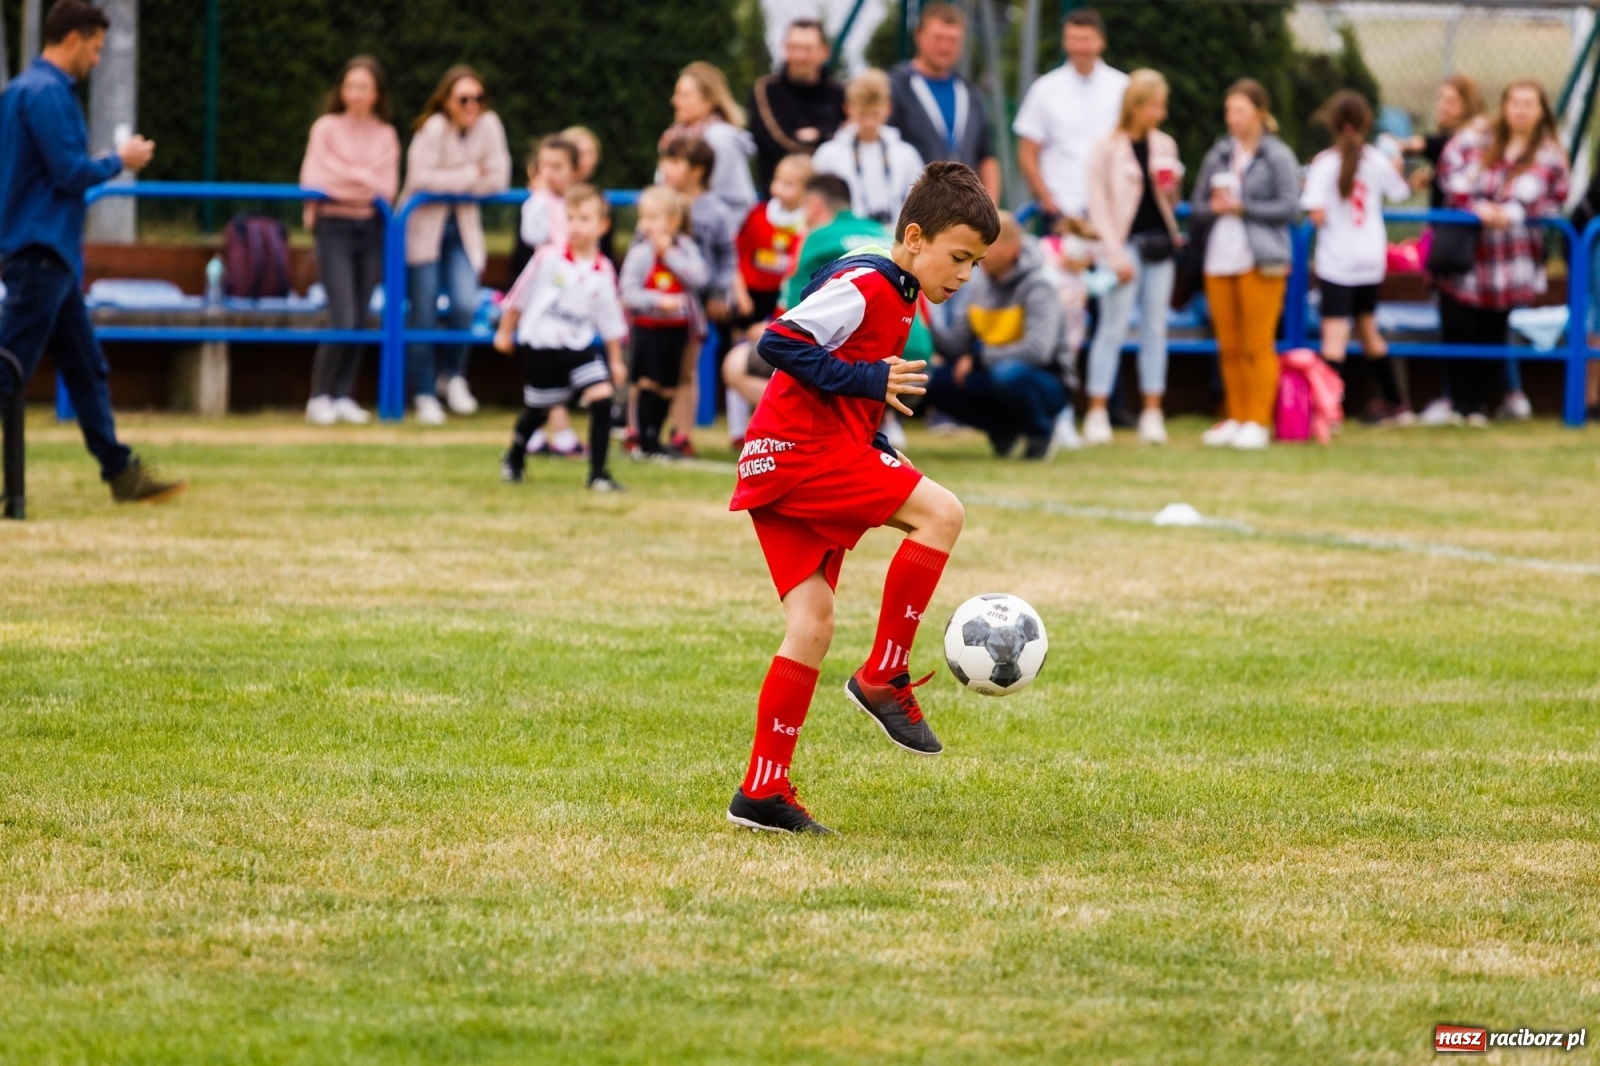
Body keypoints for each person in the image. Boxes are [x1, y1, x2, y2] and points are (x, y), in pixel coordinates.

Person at [725, 162, 999, 835]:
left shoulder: (897, 287)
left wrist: (873, 433)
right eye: (958, 258)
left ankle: (761, 791)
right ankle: (884, 674)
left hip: (777, 461)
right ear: (914, 236)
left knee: (811, 623)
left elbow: (827, 383)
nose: (963, 276)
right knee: (943, 513)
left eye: (975, 264)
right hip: (802, 456)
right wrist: (870, 379)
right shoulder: (871, 282)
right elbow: (779, 341)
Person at [0, 0, 183, 504]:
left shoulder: (20, 89)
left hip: (44, 250)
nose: (99, 60)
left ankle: (120, 472)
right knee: (8, 368)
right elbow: (69, 172)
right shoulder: (47, 93)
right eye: (97, 49)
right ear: (74, 39)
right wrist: (118, 160)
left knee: (85, 365)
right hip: (40, 248)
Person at [1434, 79, 1569, 426]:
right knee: (1457, 324)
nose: (1521, 110)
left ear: (1541, 111)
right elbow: (1449, 171)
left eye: (1529, 104)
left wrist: (1511, 213)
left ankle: (1478, 406)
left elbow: (1552, 192)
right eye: (1515, 102)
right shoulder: (1477, 138)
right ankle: (1457, 403)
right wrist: (1476, 207)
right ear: (1504, 105)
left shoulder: (1550, 151)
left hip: (1510, 259)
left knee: (1492, 329)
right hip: (1467, 253)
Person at [493, 185, 627, 491]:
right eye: (571, 218)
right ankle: (514, 455)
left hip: (579, 347)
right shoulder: (548, 258)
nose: (576, 226)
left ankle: (598, 475)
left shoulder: (604, 270)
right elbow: (518, 295)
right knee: (539, 410)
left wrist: (616, 360)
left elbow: (610, 321)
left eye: (584, 218)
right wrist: (505, 331)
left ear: (602, 226)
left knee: (602, 398)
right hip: (543, 347)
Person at [1190, 78, 1300, 450]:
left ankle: (1258, 418)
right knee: (1230, 343)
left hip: (1262, 258)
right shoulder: (1219, 154)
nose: (1233, 118)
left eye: (1240, 110)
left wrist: (1245, 208)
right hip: (1220, 257)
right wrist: (1215, 207)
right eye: (1229, 111)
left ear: (1260, 113)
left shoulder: (1277, 155)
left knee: (1258, 342)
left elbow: (1291, 207)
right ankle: (1235, 416)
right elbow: (1197, 206)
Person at [399, 65, 511, 424]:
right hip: (423, 230)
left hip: (462, 230)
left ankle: (452, 376)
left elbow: (498, 179)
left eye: (478, 98)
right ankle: (425, 393)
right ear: (446, 100)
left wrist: (453, 181)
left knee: (465, 304)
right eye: (464, 98)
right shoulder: (431, 128)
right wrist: (469, 175)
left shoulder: (490, 126)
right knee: (424, 313)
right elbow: (420, 179)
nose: (472, 105)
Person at [1082, 68, 1182, 446]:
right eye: (1155, 105)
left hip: (1159, 246)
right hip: (1122, 249)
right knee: (1112, 329)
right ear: (1136, 106)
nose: (1161, 113)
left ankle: (1152, 412)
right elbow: (1099, 205)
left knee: (1156, 329)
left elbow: (1170, 201)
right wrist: (1114, 253)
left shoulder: (1165, 145)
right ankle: (1096, 411)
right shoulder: (1105, 148)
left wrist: (1171, 188)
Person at [1302, 91, 1413, 425]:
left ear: (1332, 123)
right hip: (1370, 259)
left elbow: (1316, 215)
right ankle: (1396, 402)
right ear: (1366, 122)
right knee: (1367, 328)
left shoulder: (1325, 163)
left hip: (1338, 260)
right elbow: (1400, 192)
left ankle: (1327, 410)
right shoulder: (1376, 159)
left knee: (1333, 337)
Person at [300, 55, 400, 427]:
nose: (356, 93)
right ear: (341, 90)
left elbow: (387, 188)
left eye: (364, 87)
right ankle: (319, 396)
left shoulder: (386, 134)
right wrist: (363, 180)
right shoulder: (325, 128)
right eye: (350, 85)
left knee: (361, 315)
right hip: (333, 229)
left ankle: (343, 395)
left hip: (370, 230)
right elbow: (315, 180)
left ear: (376, 94)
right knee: (341, 314)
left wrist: (345, 180)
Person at [927, 212, 1073, 459]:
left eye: (988, 244)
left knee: (1007, 374)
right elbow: (956, 347)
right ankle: (1002, 431)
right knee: (928, 381)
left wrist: (979, 358)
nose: (979, 251)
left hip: (1046, 381)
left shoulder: (1039, 286)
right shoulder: (978, 286)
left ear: (1011, 249)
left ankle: (1041, 433)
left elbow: (1038, 351)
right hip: (994, 373)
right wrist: (924, 323)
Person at [1403, 76, 1485, 426]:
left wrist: (1405, 147)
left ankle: (1472, 399)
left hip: (1462, 241)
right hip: (1442, 238)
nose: (1443, 106)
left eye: (1451, 100)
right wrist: (1431, 177)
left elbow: (1439, 146)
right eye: (1441, 99)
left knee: (1479, 321)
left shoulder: (1467, 138)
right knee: (1455, 317)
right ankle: (1458, 398)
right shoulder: (1451, 147)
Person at [507, 135, 586, 460]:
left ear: (574, 170)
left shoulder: (579, 205)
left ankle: (543, 432)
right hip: (544, 297)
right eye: (545, 167)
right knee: (545, 366)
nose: (550, 173)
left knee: (557, 368)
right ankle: (553, 434)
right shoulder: (537, 203)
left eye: (558, 167)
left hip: (570, 296)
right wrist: (538, 198)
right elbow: (533, 235)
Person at [659, 135, 737, 458]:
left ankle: (682, 435)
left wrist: (720, 291)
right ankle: (640, 431)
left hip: (694, 306)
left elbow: (727, 256)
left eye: (674, 162)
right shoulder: (658, 204)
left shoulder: (716, 211)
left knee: (685, 369)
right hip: (658, 302)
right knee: (650, 370)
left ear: (698, 170)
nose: (666, 168)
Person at [1014, 7, 1129, 225]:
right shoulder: (1044, 89)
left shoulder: (1123, 87)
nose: (1079, 47)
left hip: (1113, 210)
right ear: (1064, 42)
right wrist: (1047, 199)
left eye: (1086, 39)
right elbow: (1027, 153)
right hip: (1060, 212)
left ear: (1101, 41)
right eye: (1073, 39)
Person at [727, 154, 812, 445]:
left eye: (789, 184)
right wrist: (739, 293)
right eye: (778, 180)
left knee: (774, 360)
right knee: (740, 353)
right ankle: (738, 431)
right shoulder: (758, 214)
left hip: (785, 302)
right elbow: (736, 255)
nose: (779, 188)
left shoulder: (808, 225)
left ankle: (767, 425)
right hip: (752, 298)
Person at [621, 186, 709, 458]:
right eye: (642, 217)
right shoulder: (639, 254)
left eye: (652, 217)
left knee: (669, 386)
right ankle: (644, 440)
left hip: (679, 330)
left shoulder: (686, 248)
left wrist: (670, 253)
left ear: (673, 222)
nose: (645, 224)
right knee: (647, 382)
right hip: (648, 328)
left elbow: (699, 278)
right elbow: (627, 292)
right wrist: (657, 301)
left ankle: (656, 438)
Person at [888, 3, 1000, 200]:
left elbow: (986, 156)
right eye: (938, 38)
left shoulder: (969, 92)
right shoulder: (895, 86)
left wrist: (990, 208)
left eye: (953, 40)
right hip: (912, 207)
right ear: (919, 36)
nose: (945, 47)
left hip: (963, 209)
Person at [811, 69, 926, 228]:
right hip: (845, 240)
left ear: (888, 109)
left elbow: (920, 203)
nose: (869, 123)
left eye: (875, 114)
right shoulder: (828, 154)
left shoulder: (906, 154)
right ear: (848, 108)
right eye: (862, 114)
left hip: (893, 240)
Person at [748, 19, 846, 189]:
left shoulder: (840, 93)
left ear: (825, 52)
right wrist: (826, 138)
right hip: (780, 201)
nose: (800, 56)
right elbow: (775, 145)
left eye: (807, 49)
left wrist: (818, 137)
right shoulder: (765, 90)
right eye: (793, 48)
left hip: (830, 199)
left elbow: (846, 144)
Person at [659, 61, 758, 220]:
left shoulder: (719, 140)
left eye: (684, 95)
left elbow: (714, 198)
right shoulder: (677, 136)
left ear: (709, 101)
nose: (675, 101)